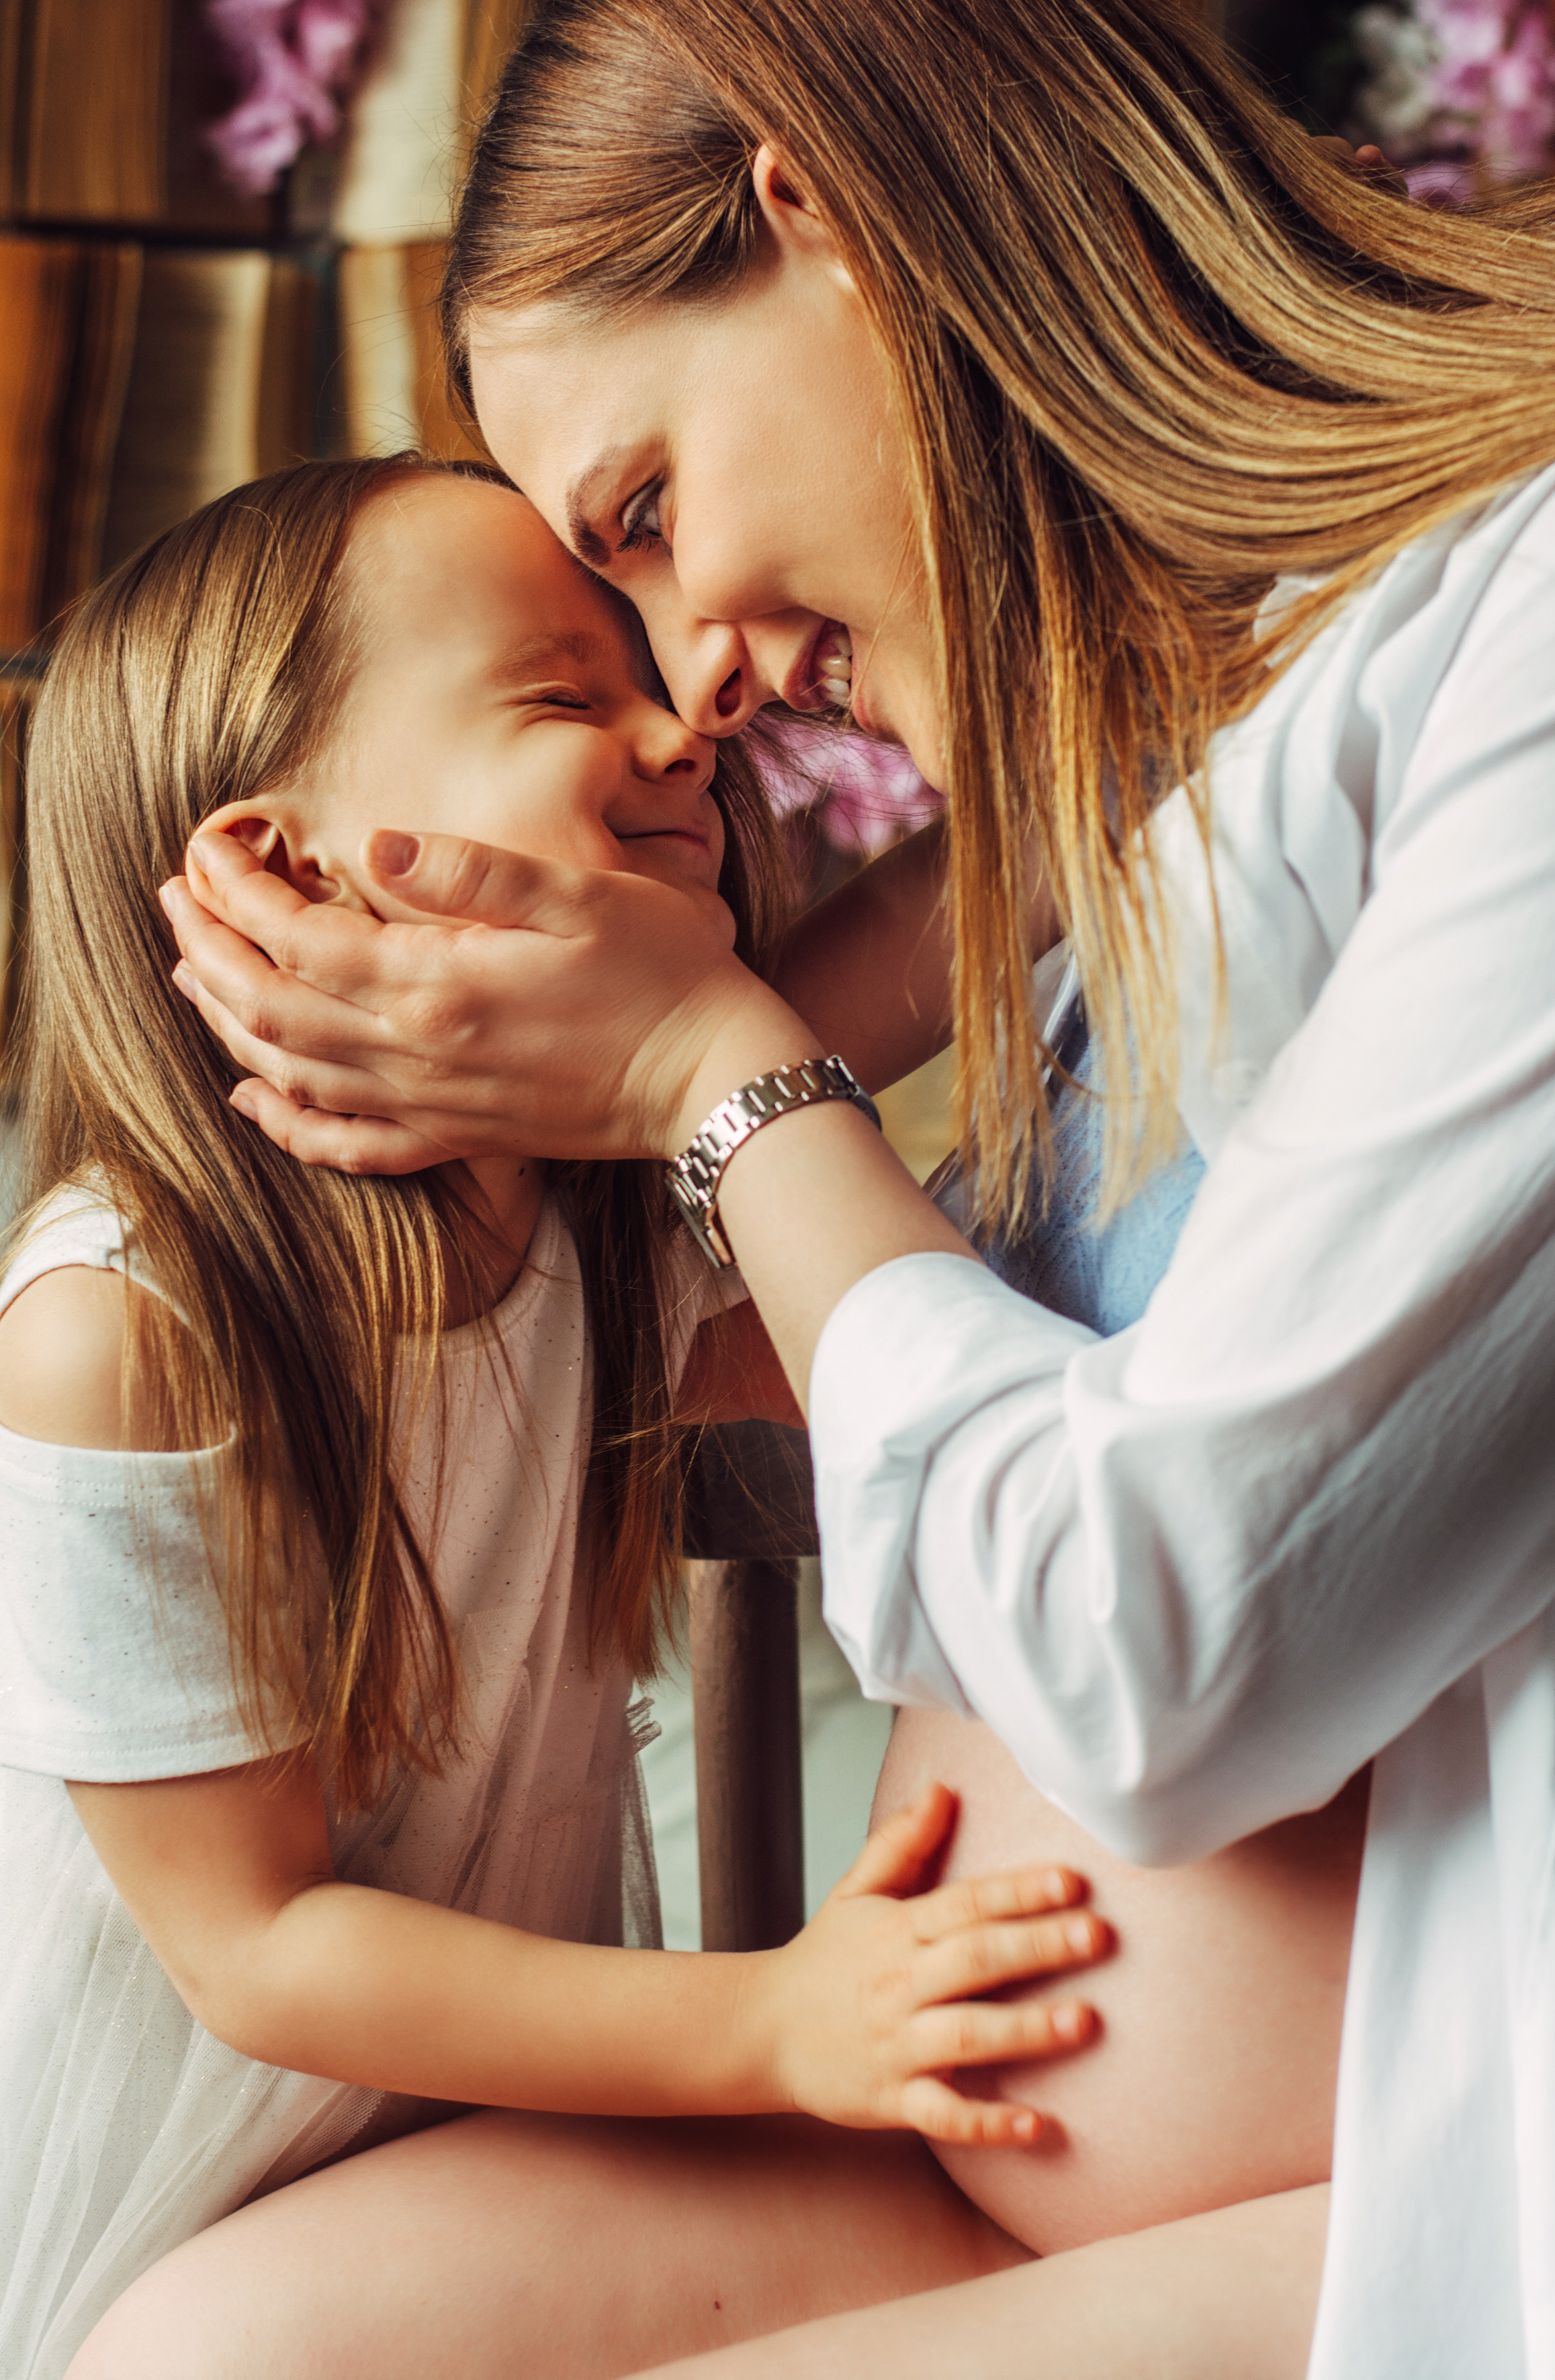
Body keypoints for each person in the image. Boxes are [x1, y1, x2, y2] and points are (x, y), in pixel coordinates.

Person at [154, 1, 1555, 2373]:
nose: (695, 691)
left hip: (1445, 2161)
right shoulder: (1221, 704)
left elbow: (1178, 1653)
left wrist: (706, 1072)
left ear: (824, 216)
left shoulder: (1546, 625)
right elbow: (1033, 881)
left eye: (644, 516)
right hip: (1012, 2148)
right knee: (218, 2357)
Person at [0, 451, 1120, 2380]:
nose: (682, 726)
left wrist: (1176, 685)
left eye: (649, 678)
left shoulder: (601, 1199)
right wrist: (780, 2019)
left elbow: (963, 905)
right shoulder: (123, 1323)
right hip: (174, 2220)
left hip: (487, 2164)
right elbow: (256, 1952)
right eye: (559, 692)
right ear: (282, 870)